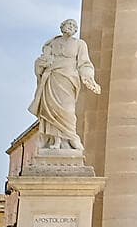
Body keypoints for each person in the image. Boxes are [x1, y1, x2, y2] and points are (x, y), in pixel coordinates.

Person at [29, 18, 101, 152]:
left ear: (75, 30)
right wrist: (40, 65)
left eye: (73, 25)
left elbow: (84, 63)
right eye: (68, 24)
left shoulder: (80, 44)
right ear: (62, 27)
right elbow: (43, 60)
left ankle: (70, 137)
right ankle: (56, 140)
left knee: (67, 110)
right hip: (52, 78)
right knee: (52, 110)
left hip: (69, 79)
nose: (71, 27)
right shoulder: (53, 43)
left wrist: (88, 77)